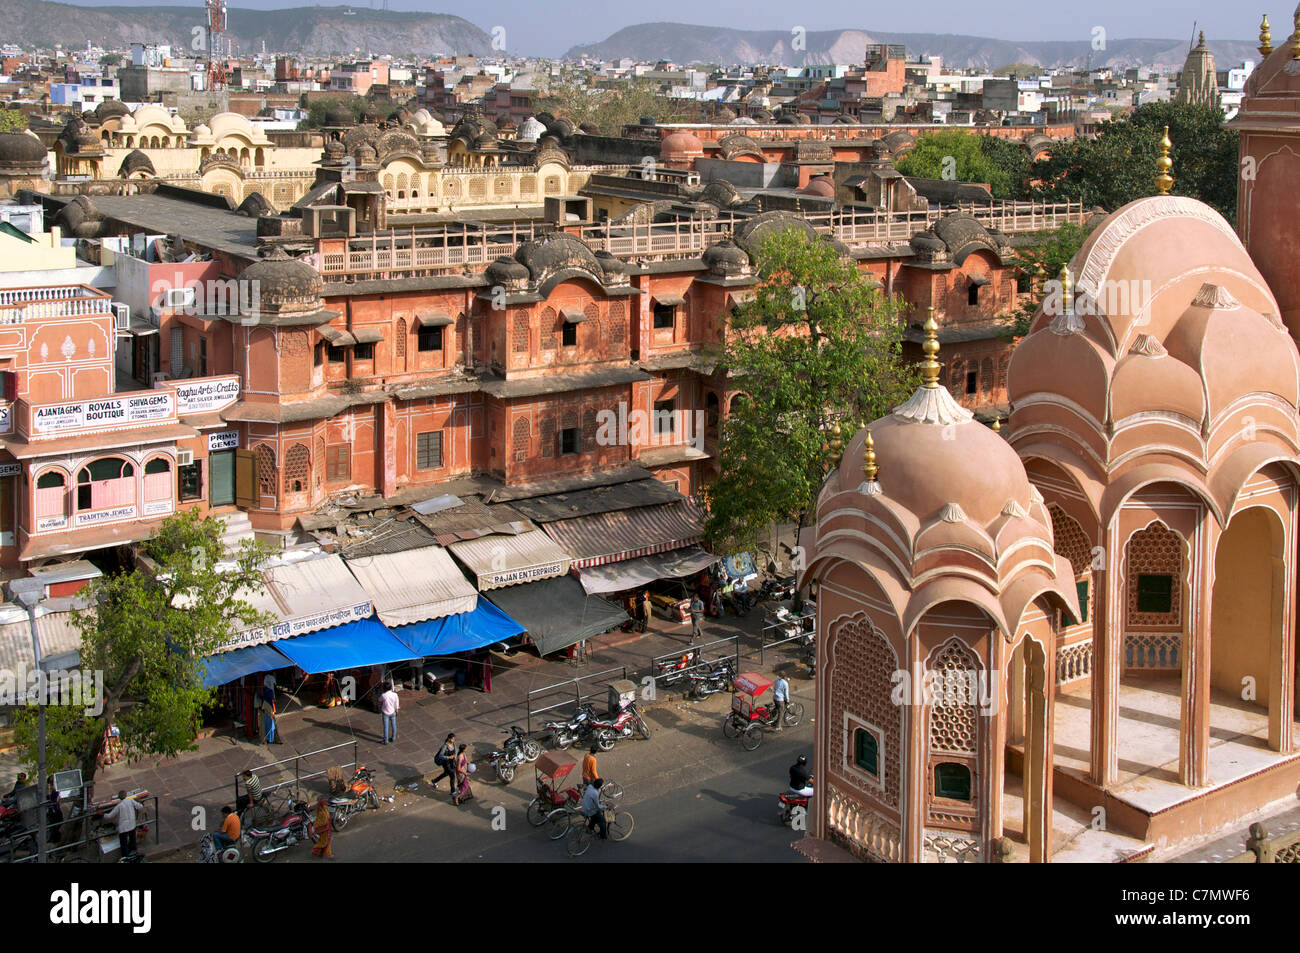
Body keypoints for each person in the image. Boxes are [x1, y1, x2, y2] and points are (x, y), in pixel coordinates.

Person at [104, 790, 143, 859]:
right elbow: (140, 807)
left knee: (124, 844)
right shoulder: (131, 801)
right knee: (132, 840)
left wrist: (102, 814)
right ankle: (134, 854)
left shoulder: (119, 806)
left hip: (123, 828)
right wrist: (139, 802)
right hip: (132, 825)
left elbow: (109, 816)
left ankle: (125, 857)